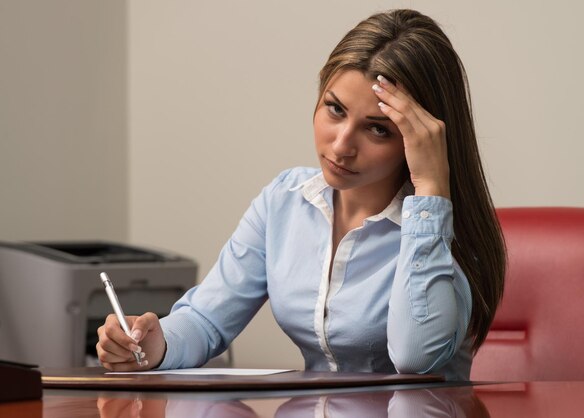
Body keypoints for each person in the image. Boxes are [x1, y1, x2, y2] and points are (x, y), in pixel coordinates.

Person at [96, 9, 506, 381]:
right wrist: (155, 344)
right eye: (335, 109)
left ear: (418, 137)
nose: (342, 144)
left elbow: (415, 358)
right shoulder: (285, 200)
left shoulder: (438, 231)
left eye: (378, 128)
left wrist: (432, 186)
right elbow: (207, 318)